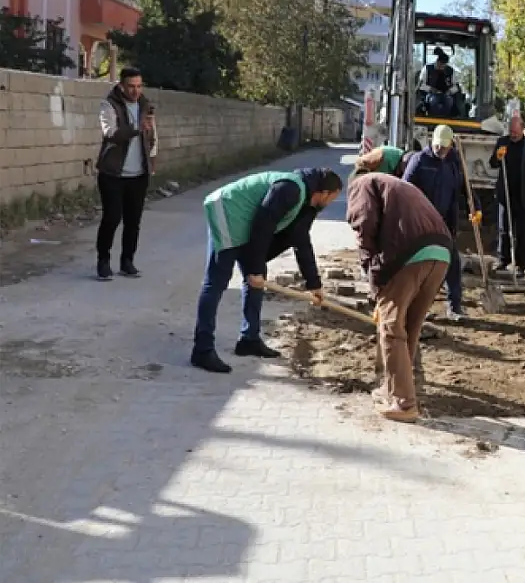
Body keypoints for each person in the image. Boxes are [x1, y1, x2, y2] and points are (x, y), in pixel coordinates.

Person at [191, 168, 344, 373]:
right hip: (228, 212)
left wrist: (314, 284)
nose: (330, 203)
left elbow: (301, 241)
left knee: (257, 280)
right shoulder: (290, 189)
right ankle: (202, 350)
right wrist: (254, 268)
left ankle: (249, 339)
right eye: (332, 198)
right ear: (324, 193)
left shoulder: (306, 203)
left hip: (247, 223)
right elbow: (264, 224)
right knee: (217, 281)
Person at [347, 172, 455, 422]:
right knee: (409, 325)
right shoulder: (396, 185)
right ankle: (392, 389)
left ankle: (404, 403)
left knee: (391, 327)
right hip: (442, 252)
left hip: (411, 253)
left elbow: (364, 228)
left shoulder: (361, 185)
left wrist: (375, 285)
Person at [402, 125, 481, 320]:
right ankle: (419, 308)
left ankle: (454, 307)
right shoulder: (420, 160)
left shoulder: (454, 161)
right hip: (424, 224)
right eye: (438, 146)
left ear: (450, 145)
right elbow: (404, 189)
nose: (440, 150)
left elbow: (465, 188)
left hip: (446, 222)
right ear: (432, 141)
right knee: (423, 266)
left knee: (453, 264)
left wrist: (475, 207)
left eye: (444, 147)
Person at [94, 66, 159, 280]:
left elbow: (152, 136)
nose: (135, 91)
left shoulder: (145, 106)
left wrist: (152, 160)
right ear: (122, 85)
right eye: (131, 86)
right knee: (112, 218)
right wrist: (136, 128)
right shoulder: (109, 104)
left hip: (138, 174)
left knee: (133, 220)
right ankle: (103, 262)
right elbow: (110, 133)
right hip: (112, 173)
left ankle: (127, 261)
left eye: (139, 86)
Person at [489, 111, 525, 276]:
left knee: (523, 232)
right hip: (505, 194)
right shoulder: (502, 142)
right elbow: (492, 163)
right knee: (503, 229)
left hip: (524, 197)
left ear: (521, 129)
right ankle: (503, 260)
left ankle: (521, 265)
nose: (512, 134)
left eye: (515, 131)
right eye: (510, 131)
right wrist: (498, 158)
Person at [417, 47, 463, 117]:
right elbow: (420, 85)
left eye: (444, 66)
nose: (442, 67)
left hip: (446, 95)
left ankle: (447, 118)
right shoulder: (427, 69)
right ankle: (432, 117)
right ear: (437, 61)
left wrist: (450, 91)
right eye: (440, 65)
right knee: (434, 101)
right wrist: (431, 89)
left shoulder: (450, 70)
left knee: (449, 101)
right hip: (430, 94)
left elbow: (456, 87)